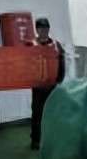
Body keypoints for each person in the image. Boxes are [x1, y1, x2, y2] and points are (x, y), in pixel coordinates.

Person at [28, 17, 65, 150]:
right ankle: (36, 140)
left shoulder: (56, 45)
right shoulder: (31, 45)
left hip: (52, 85)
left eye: (45, 27)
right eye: (41, 28)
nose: (43, 30)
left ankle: (52, 138)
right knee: (37, 113)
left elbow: (61, 62)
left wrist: (59, 79)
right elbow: (25, 64)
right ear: (36, 30)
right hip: (38, 86)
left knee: (52, 112)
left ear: (49, 29)